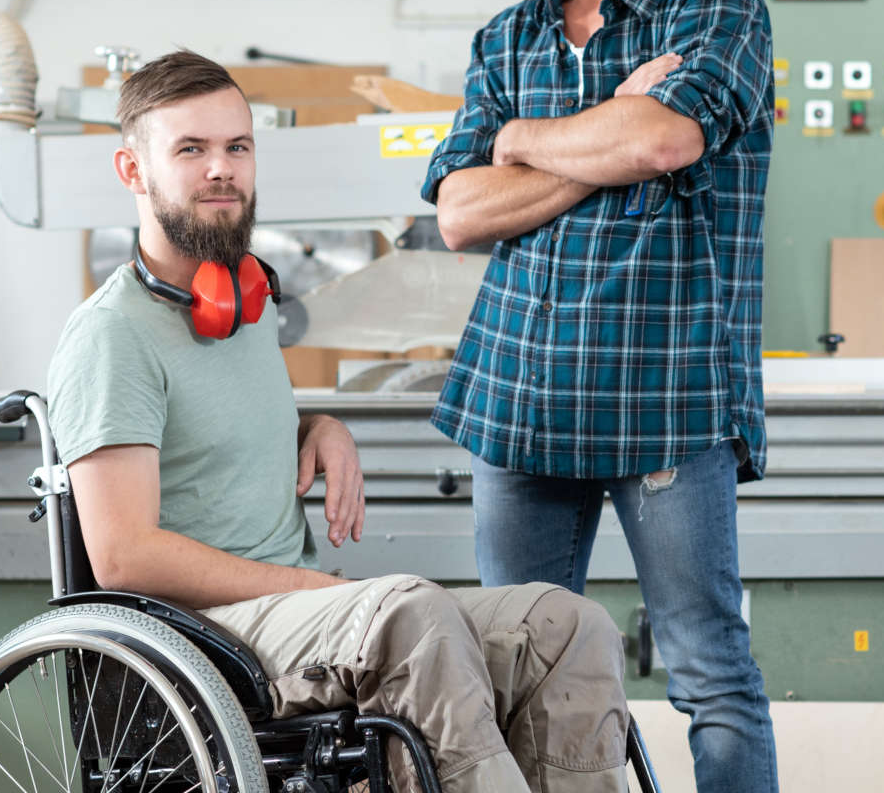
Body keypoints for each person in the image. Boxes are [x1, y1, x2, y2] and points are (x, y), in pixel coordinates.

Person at [45, 48, 631, 793]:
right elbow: (126, 556)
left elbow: (204, 435)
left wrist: (315, 425)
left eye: (237, 147)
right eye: (190, 150)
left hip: (287, 615)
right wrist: (301, 587)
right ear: (133, 171)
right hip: (198, 640)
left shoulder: (244, 305)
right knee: (409, 615)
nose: (220, 169)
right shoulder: (111, 336)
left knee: (563, 623)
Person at [423, 0, 778, 793]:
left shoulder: (717, 2)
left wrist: (525, 147)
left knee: (708, 670)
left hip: (666, 393)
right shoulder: (510, 35)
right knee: (514, 677)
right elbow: (457, 212)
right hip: (522, 399)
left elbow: (667, 140)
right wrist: (587, 141)